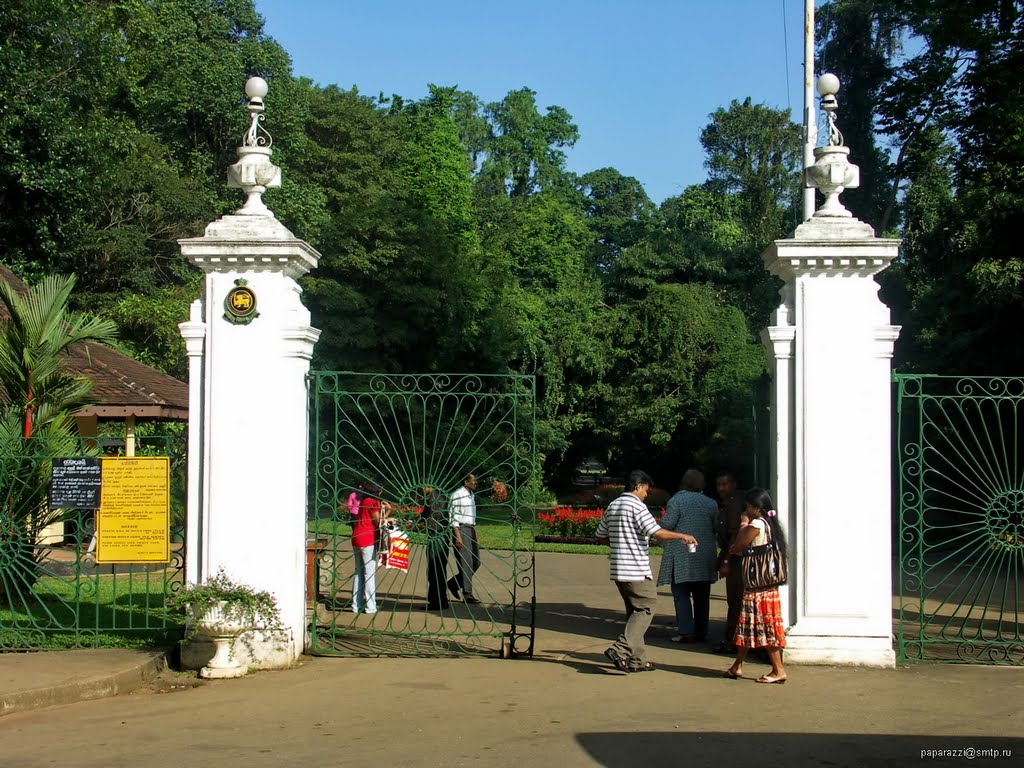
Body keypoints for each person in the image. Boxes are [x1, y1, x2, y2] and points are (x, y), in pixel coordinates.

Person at [596, 470, 698, 673]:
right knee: (647, 607)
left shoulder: (613, 505)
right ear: (638, 486)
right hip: (636, 569)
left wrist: (620, 544)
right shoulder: (637, 506)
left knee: (635, 614)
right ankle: (620, 649)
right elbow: (656, 532)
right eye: (646, 490)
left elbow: (601, 536)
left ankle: (637, 661)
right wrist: (682, 536)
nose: (646, 495)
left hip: (618, 569)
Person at [723, 487, 789, 684]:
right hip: (765, 586)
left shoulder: (757, 524)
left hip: (758, 588)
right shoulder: (770, 524)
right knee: (748, 625)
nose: (746, 509)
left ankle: (778, 670)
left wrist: (743, 522)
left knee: (764, 626)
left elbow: (739, 544)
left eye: (748, 506)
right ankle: (737, 666)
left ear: (755, 507)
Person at [657, 469, 719, 643]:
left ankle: (685, 631)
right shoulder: (711, 503)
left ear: (684, 482)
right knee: (702, 596)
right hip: (704, 554)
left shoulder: (677, 500)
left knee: (681, 594)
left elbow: (667, 524)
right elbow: (716, 527)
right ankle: (701, 631)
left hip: (682, 553)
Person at [712, 470, 746, 654]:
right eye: (719, 484)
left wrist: (725, 560)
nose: (722, 488)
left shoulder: (735, 504)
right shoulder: (728, 504)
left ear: (734, 484)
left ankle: (732, 640)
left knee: (736, 601)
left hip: (736, 561)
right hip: (731, 557)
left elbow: (735, 535)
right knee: (734, 601)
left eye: (725, 484)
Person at [351, 479, 383, 615]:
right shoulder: (373, 502)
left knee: (359, 572)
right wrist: (388, 516)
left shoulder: (364, 501)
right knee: (369, 573)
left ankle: (355, 605)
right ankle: (371, 606)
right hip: (367, 538)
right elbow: (378, 522)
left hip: (356, 536)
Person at [448, 473, 480, 604]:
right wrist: (458, 536)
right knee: (466, 563)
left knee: (476, 562)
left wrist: (475, 530)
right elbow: (453, 517)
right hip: (461, 529)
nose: (475, 483)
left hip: (470, 528)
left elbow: (471, 514)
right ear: (466, 482)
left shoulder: (471, 495)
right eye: (473, 481)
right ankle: (468, 594)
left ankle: (453, 584)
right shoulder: (457, 495)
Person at [416, 487, 451, 610]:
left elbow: (430, 522)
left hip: (438, 537)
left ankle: (438, 602)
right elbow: (424, 516)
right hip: (439, 537)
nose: (420, 490)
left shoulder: (435, 499)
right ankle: (439, 600)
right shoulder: (435, 497)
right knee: (437, 569)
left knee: (435, 570)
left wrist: (412, 526)